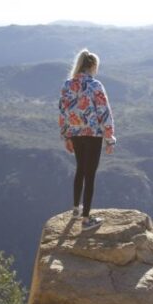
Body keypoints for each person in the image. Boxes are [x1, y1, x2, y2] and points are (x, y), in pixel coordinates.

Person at [58, 49, 116, 229]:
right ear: (92, 66)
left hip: (75, 134)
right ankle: (86, 220)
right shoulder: (95, 85)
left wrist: (66, 135)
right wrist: (110, 137)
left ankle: (76, 209)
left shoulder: (68, 85)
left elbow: (63, 112)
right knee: (90, 175)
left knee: (80, 170)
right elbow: (104, 112)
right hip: (93, 135)